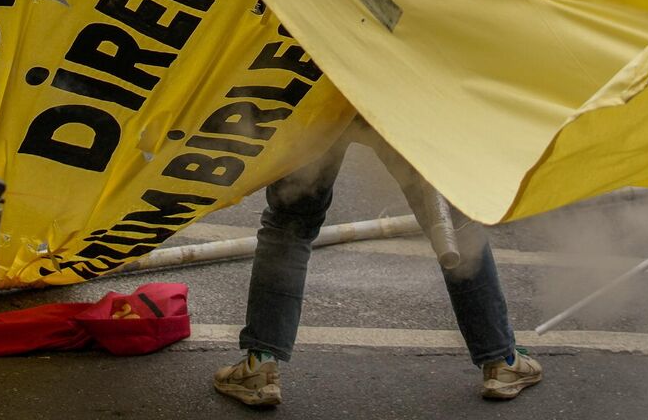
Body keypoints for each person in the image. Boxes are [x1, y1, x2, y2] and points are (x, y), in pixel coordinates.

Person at [211, 119, 541, 408]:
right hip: (389, 84)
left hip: (323, 81)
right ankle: (501, 360)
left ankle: (260, 365)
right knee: (454, 228)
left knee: (289, 224)